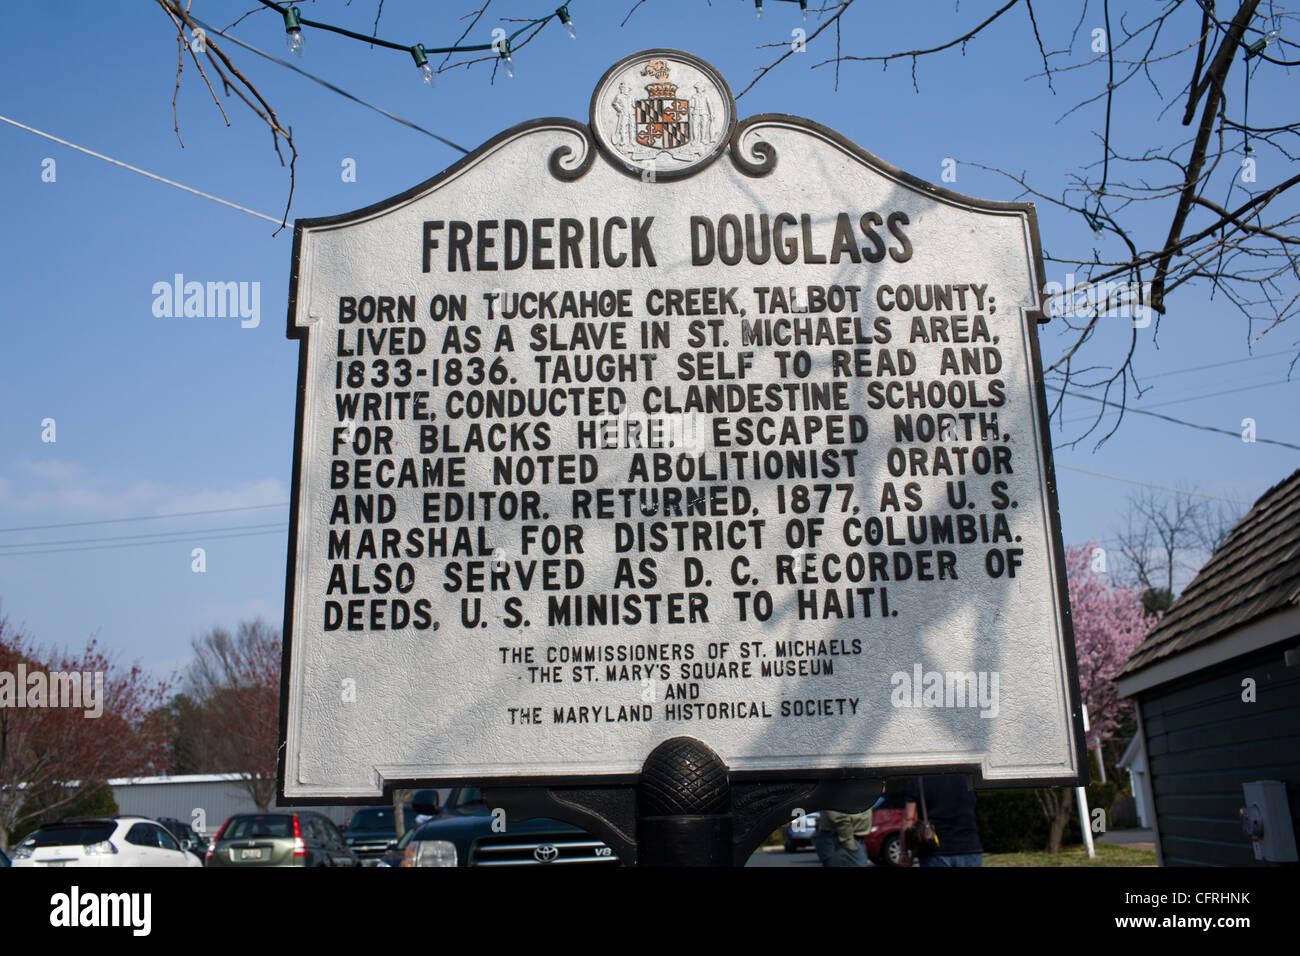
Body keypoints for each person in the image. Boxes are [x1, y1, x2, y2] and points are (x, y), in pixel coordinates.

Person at [903, 775, 983, 867]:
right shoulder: (967, 776)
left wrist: (904, 852)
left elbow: (909, 819)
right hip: (969, 846)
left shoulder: (919, 779)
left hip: (933, 849)